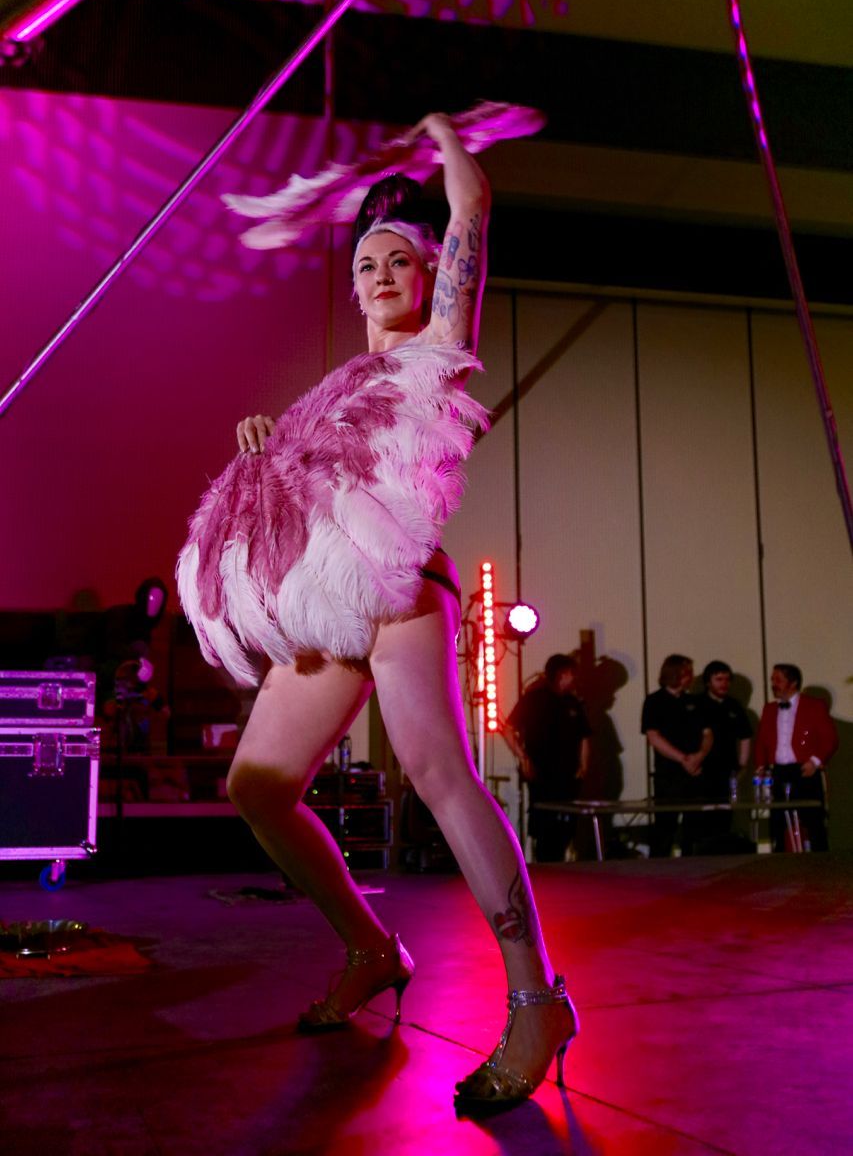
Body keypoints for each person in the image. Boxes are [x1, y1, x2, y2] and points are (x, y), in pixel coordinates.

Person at [177, 114, 576, 1108]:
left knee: (440, 773)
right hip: (327, 603)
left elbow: (471, 207)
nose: (380, 272)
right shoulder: (328, 389)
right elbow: (306, 501)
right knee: (257, 783)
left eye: (402, 256)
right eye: (366, 262)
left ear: (431, 269)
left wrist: (441, 140)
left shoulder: (436, 347)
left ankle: (536, 997)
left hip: (399, 593)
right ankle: (371, 944)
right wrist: (269, 448)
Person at [506, 654, 591, 862]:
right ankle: (545, 863)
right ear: (562, 674)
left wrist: (584, 764)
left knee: (567, 821)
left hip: (569, 773)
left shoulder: (573, 703)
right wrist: (522, 756)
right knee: (545, 821)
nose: (576, 678)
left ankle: (564, 857)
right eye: (572, 673)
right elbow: (508, 728)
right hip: (541, 771)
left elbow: (584, 736)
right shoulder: (534, 699)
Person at [755, 664, 838, 852]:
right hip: (779, 772)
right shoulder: (769, 709)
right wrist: (761, 766)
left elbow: (830, 739)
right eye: (772, 680)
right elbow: (761, 741)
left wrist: (815, 762)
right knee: (778, 822)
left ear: (793, 683)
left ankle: (820, 867)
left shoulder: (814, 706)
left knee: (813, 821)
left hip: (804, 770)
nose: (773, 684)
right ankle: (780, 866)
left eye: (778, 680)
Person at [641, 654, 712, 857]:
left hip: (695, 773)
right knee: (665, 825)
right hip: (669, 775)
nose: (690, 677)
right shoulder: (655, 701)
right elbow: (654, 736)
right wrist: (682, 759)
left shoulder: (694, 701)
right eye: (686, 672)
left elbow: (707, 734)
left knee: (694, 826)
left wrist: (699, 755)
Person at [698, 660, 752, 834]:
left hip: (727, 769)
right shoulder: (698, 703)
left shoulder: (734, 706)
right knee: (701, 817)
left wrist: (742, 765)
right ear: (708, 682)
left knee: (724, 815)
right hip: (702, 770)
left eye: (727, 680)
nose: (724, 684)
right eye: (719, 679)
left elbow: (745, 736)